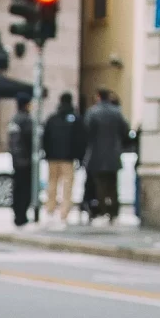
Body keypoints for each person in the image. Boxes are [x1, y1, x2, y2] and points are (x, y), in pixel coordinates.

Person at [82, 87, 132, 221]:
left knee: (100, 185)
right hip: (113, 155)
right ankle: (114, 212)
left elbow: (86, 132)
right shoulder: (117, 113)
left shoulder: (92, 112)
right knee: (113, 185)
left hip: (96, 155)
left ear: (98, 96)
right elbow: (125, 131)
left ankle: (103, 210)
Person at [41, 89, 82, 223]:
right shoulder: (75, 118)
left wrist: (46, 153)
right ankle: (64, 212)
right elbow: (79, 139)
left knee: (52, 183)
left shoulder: (52, 118)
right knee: (67, 185)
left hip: (52, 157)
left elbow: (45, 138)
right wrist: (79, 156)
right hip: (68, 158)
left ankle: (50, 208)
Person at [7, 94, 36, 226]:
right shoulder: (26, 120)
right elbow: (32, 140)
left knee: (18, 188)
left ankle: (18, 214)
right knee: (25, 189)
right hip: (25, 160)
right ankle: (22, 215)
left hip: (16, 159)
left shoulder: (14, 120)